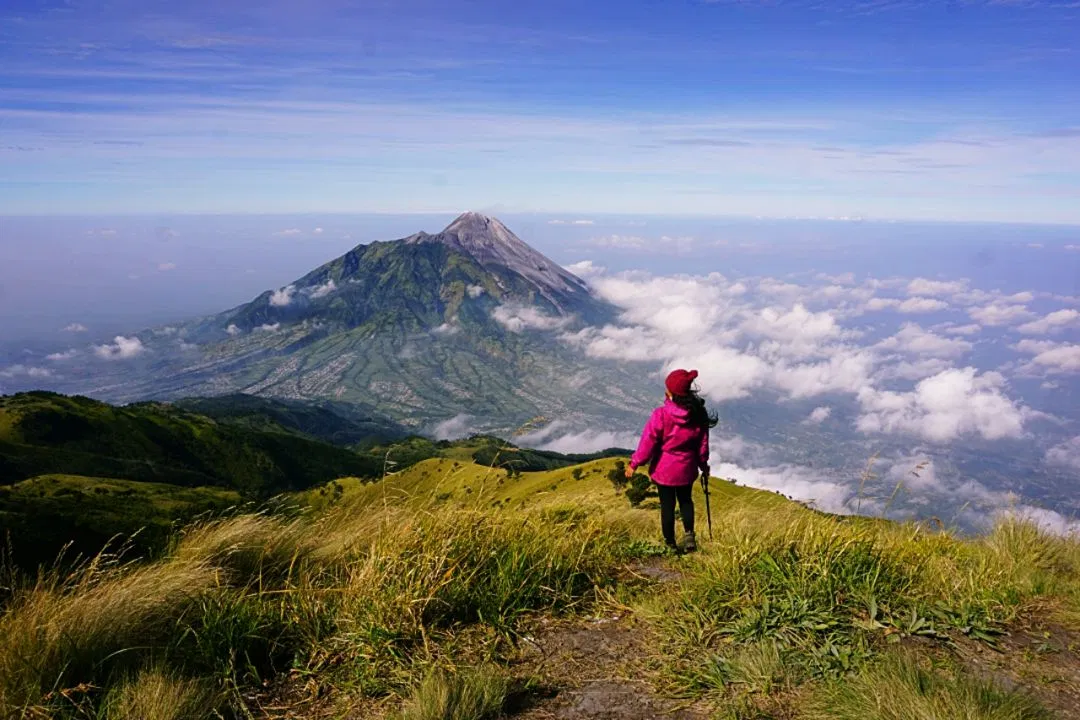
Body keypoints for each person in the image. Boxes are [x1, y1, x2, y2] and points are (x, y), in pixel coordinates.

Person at [626, 368, 717, 553]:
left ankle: (670, 544)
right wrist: (703, 465)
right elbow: (702, 445)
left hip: (664, 470)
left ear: (670, 393)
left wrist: (634, 464)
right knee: (686, 501)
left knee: (667, 506)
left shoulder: (661, 415)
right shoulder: (698, 414)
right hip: (687, 468)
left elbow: (648, 442)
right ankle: (689, 535)